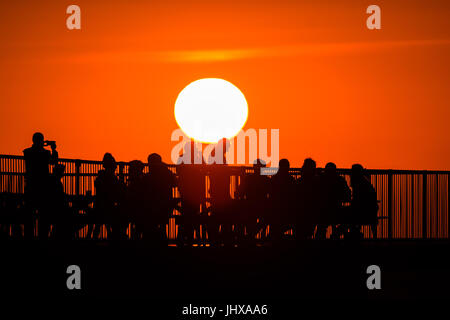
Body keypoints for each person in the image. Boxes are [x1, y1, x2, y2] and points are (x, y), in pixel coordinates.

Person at [23, 132, 58, 239]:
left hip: (30, 185)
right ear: (41, 140)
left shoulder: (27, 152)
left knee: (29, 215)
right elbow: (54, 162)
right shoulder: (46, 153)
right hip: (43, 187)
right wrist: (53, 150)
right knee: (43, 215)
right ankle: (42, 237)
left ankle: (29, 237)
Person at [142, 153, 177, 242]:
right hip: (165, 204)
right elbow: (175, 183)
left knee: (152, 225)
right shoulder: (166, 173)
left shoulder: (148, 176)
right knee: (162, 226)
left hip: (152, 205)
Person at [176, 142, 206, 245]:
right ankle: (192, 237)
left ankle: (184, 237)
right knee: (194, 214)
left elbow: (177, 171)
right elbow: (205, 167)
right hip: (195, 191)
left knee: (186, 214)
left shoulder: (181, 157)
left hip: (186, 191)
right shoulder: (197, 158)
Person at [91, 153, 126, 240]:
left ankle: (93, 240)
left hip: (99, 205)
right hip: (107, 206)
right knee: (116, 219)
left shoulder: (101, 177)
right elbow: (116, 190)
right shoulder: (111, 177)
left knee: (98, 225)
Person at [236, 159, 270, 243]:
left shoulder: (249, 179)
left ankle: (250, 236)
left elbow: (239, 192)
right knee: (266, 219)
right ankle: (251, 235)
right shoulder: (266, 180)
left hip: (249, 206)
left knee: (250, 221)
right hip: (262, 207)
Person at [316, 162, 351, 239]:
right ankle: (337, 234)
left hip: (323, 212)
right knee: (348, 218)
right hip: (337, 210)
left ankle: (319, 242)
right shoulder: (340, 180)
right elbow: (348, 195)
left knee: (321, 226)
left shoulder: (321, 180)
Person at [347, 164, 379, 239]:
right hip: (370, 212)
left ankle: (345, 234)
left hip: (363, 212)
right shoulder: (365, 182)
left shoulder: (359, 184)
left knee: (347, 215)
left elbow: (357, 202)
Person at [268, 158, 296, 243]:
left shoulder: (274, 179)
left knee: (274, 227)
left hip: (276, 210)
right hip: (287, 211)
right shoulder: (291, 180)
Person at [296, 158, 320, 239]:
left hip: (301, 210)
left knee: (301, 232)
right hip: (311, 210)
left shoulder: (299, 181)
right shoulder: (316, 181)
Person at [126, 160, 146, 239]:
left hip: (137, 210)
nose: (129, 171)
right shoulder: (144, 179)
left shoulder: (136, 182)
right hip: (140, 210)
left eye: (130, 169)